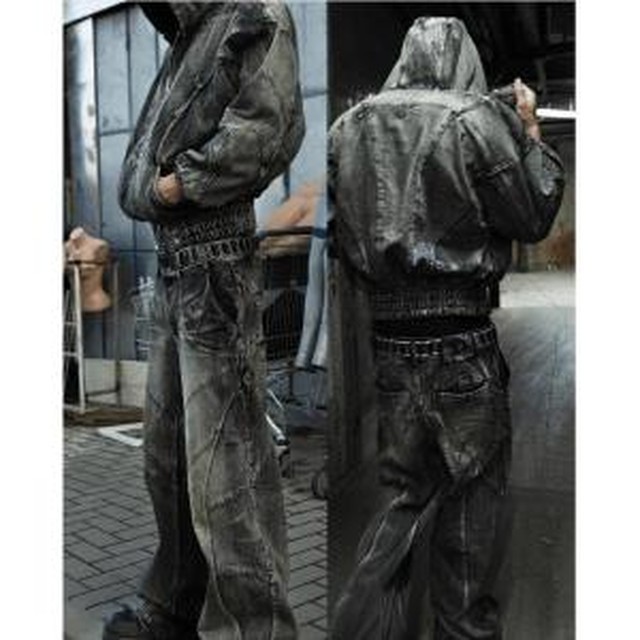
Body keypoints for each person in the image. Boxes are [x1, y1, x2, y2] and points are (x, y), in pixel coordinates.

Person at [328, 17, 564, 640]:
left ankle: (358, 625)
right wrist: (529, 130)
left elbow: (342, 234)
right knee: (469, 505)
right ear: (466, 61)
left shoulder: (347, 128)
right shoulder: (476, 120)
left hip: (388, 341)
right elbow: (534, 215)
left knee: (400, 498)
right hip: (462, 342)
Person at [102, 2, 305, 639]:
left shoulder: (253, 13)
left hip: (214, 263)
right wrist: (160, 189)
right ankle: (176, 601)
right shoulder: (190, 39)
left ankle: (254, 629)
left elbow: (270, 127)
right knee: (167, 461)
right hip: (176, 265)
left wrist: (177, 185)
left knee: (228, 472)